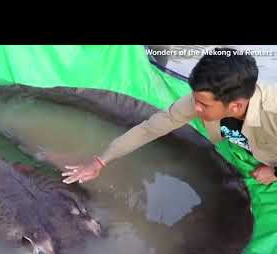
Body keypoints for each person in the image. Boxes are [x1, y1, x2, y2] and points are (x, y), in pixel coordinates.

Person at [62, 47, 277, 186]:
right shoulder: (197, 102)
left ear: (236, 105)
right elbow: (149, 129)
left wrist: (273, 172)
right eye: (195, 99)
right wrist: (101, 161)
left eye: (203, 104)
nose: (195, 109)